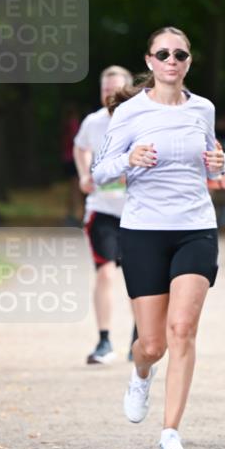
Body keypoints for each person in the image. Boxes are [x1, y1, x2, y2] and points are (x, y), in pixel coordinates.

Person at [92, 27, 225, 449]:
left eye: (180, 53)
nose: (172, 59)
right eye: (164, 53)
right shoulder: (129, 112)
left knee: (182, 329)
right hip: (144, 230)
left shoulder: (202, 109)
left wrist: (220, 162)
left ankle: (170, 432)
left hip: (195, 226)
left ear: (188, 62)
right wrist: (128, 160)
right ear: (149, 61)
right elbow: (99, 172)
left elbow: (214, 159)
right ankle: (141, 373)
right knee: (152, 344)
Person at [73, 65, 134, 364]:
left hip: (138, 213)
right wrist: (85, 174)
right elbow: (80, 147)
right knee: (105, 272)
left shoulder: (142, 121)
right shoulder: (93, 122)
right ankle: (105, 341)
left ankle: (140, 337)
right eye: (105, 90)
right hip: (102, 210)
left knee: (140, 277)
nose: (109, 95)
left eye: (115, 90)